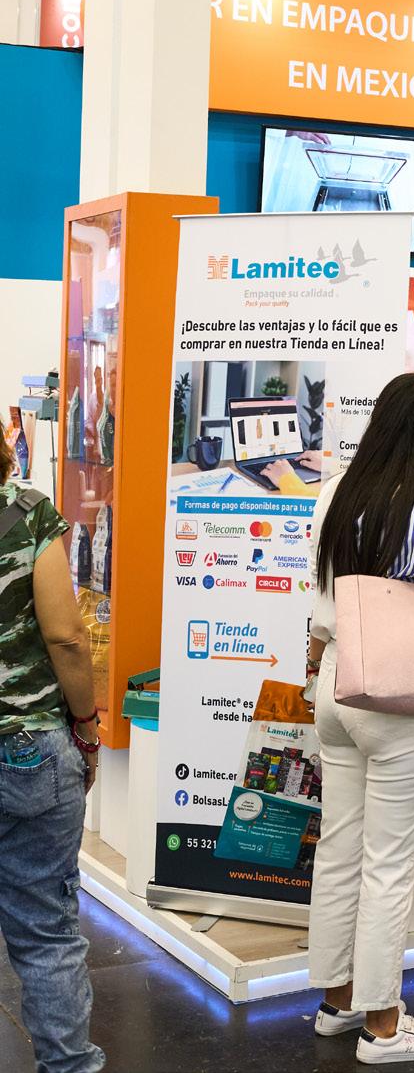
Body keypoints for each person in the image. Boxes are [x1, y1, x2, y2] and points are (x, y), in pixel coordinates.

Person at [306, 373, 414, 1064]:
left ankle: (337, 1000)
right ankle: (383, 1026)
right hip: (395, 697)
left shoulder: (335, 490)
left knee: (340, 850)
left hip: (335, 683)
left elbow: (321, 591)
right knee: (389, 864)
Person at [0, 435, 105, 1072]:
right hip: (28, 748)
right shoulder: (28, 513)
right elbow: (66, 636)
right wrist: (87, 730)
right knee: (45, 931)